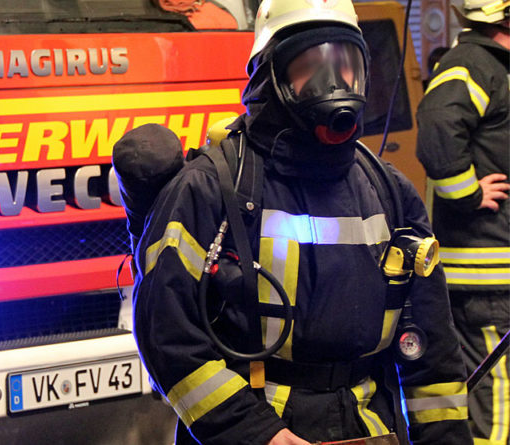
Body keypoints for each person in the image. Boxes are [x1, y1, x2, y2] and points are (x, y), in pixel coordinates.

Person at [128, 0, 475, 443]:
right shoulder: (212, 188)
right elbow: (168, 334)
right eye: (310, 66)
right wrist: (257, 433)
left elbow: (433, 355)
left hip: (366, 430)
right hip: (255, 426)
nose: (334, 83)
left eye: (346, 65)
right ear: (270, 77)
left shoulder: (390, 193)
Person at [415, 1, 510, 443]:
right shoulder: (472, 65)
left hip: (496, 271)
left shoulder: (492, 67)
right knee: (498, 397)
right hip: (486, 274)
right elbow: (437, 129)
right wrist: (468, 193)